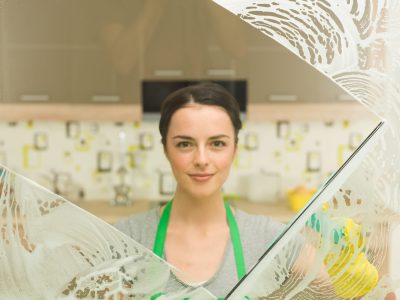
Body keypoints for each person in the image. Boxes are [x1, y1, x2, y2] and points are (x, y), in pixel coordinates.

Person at [114, 82, 284, 297]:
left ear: (234, 150)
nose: (201, 160)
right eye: (185, 144)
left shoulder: (269, 239)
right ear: (166, 149)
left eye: (217, 144)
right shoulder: (125, 240)